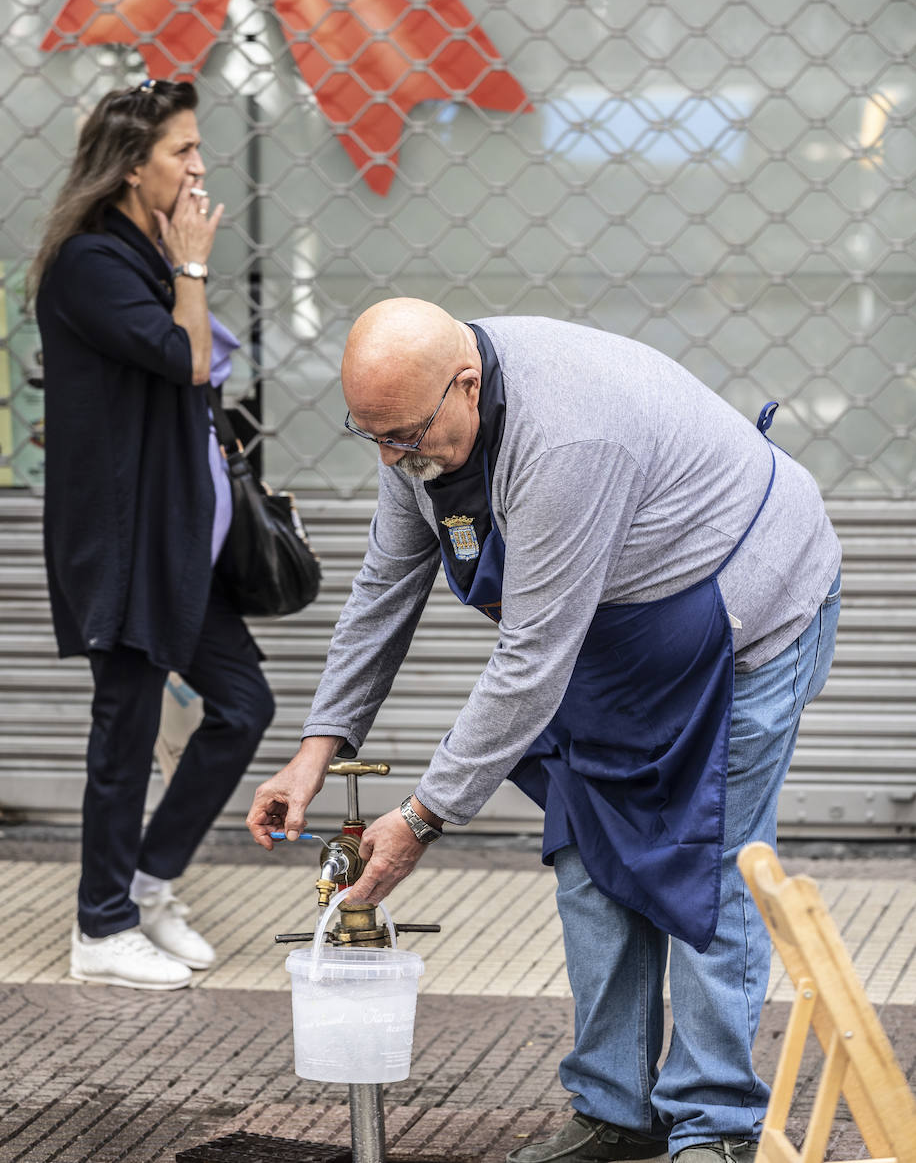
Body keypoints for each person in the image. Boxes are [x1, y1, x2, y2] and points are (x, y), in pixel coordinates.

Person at [247, 298, 841, 1163]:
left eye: (403, 436)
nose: (390, 458)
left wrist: (421, 817)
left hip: (749, 623)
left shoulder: (565, 439)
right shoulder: (415, 419)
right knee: (589, 863)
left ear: (467, 385)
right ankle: (615, 1109)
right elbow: (385, 586)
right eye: (370, 436)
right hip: (612, 648)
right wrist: (317, 748)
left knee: (712, 867)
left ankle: (713, 1123)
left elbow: (530, 659)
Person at [32, 78, 276, 991]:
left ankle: (144, 883)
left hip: (177, 539)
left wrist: (182, 267)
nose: (201, 165)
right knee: (125, 730)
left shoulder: (143, 254)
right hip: (124, 537)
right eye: (183, 149)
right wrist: (195, 269)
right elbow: (188, 360)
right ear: (134, 167)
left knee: (243, 704)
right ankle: (100, 929)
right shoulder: (92, 263)